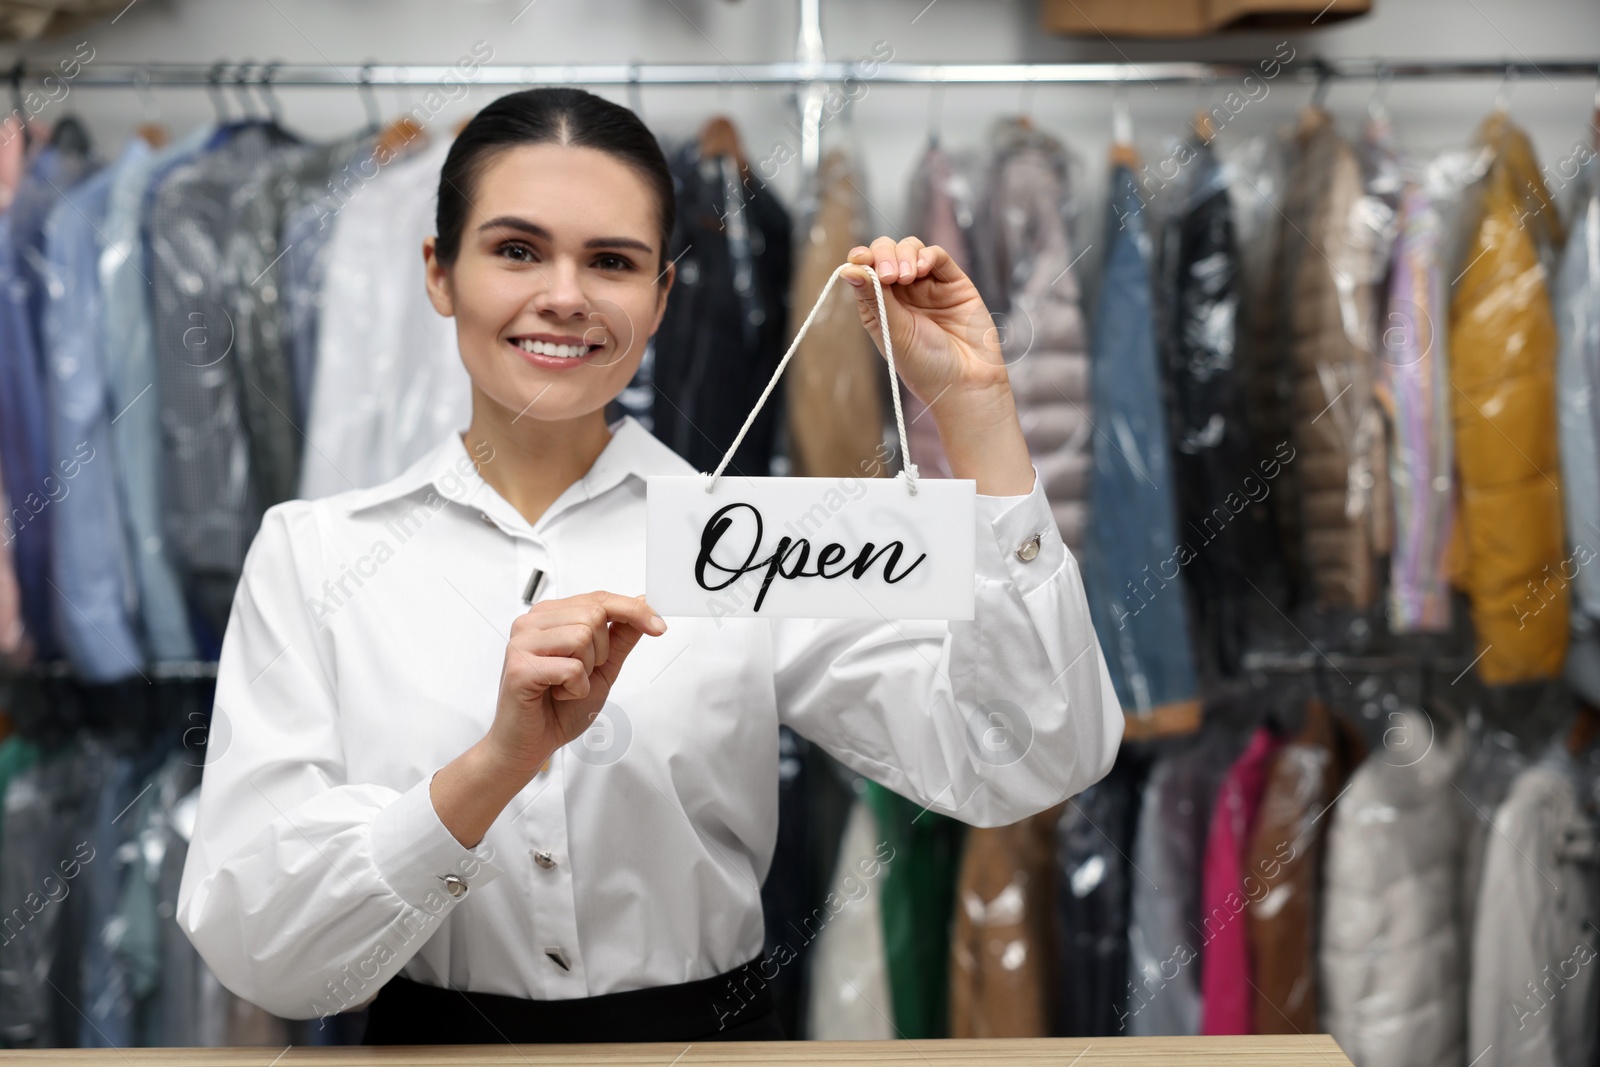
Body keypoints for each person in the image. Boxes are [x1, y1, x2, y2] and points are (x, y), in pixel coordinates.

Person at [175, 86, 1123, 1045]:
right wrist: (496, 768)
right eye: (516, 250)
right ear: (439, 272)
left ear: (662, 296)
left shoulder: (749, 541)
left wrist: (979, 408)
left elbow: (1033, 754)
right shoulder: (316, 553)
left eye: (612, 262)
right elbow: (265, 950)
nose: (565, 295)